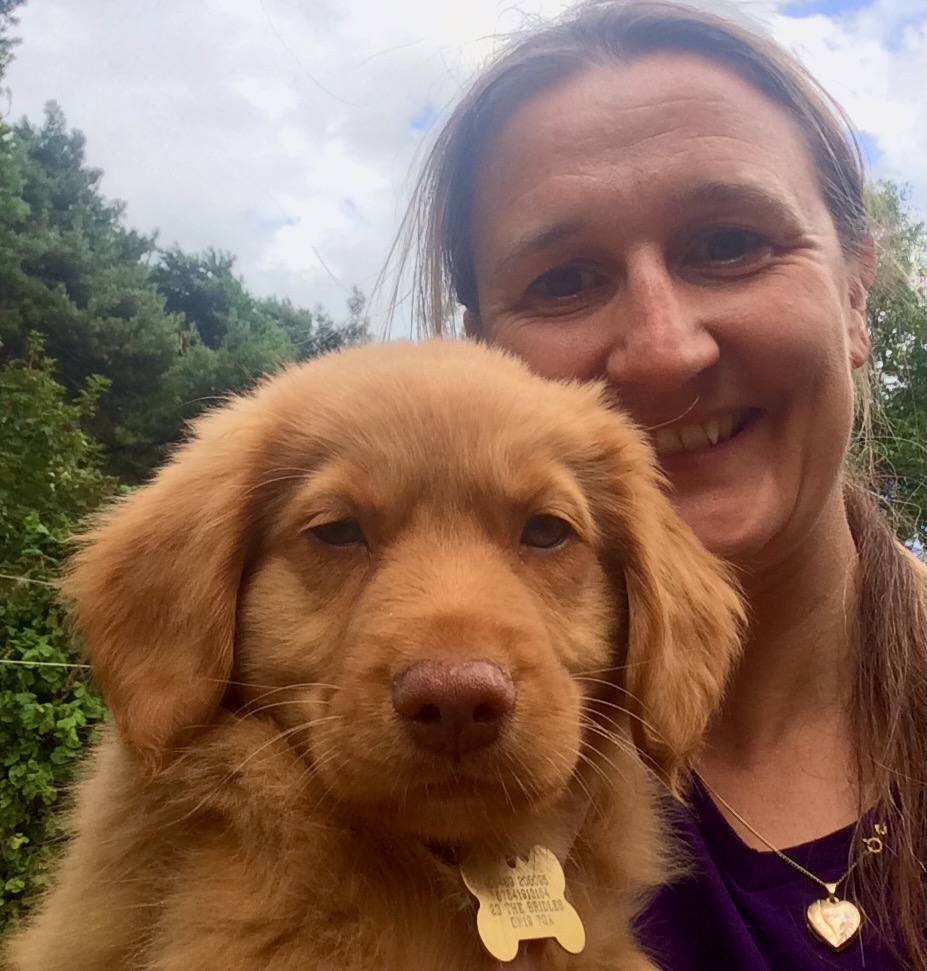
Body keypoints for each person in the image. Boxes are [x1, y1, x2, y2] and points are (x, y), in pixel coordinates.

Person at [396, 2, 927, 968]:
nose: (660, 350)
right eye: (562, 280)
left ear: (854, 295)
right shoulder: (402, 742)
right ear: (483, 354)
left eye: (727, 244)